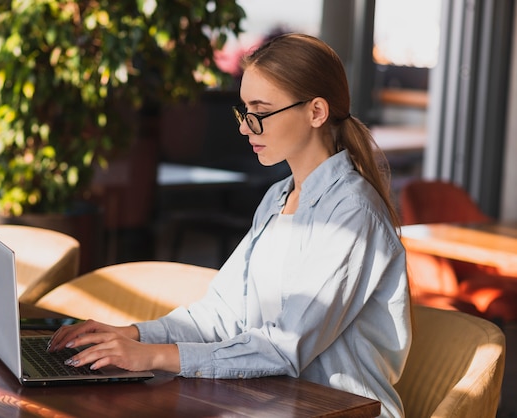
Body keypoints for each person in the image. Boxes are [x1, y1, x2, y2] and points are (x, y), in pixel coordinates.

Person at [48, 33, 412, 418]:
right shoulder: (278, 198)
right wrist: (131, 335)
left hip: (337, 410)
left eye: (260, 111)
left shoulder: (351, 213)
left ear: (316, 112)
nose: (245, 128)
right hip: (267, 401)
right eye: (243, 111)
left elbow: (281, 348)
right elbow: (221, 314)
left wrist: (152, 356)